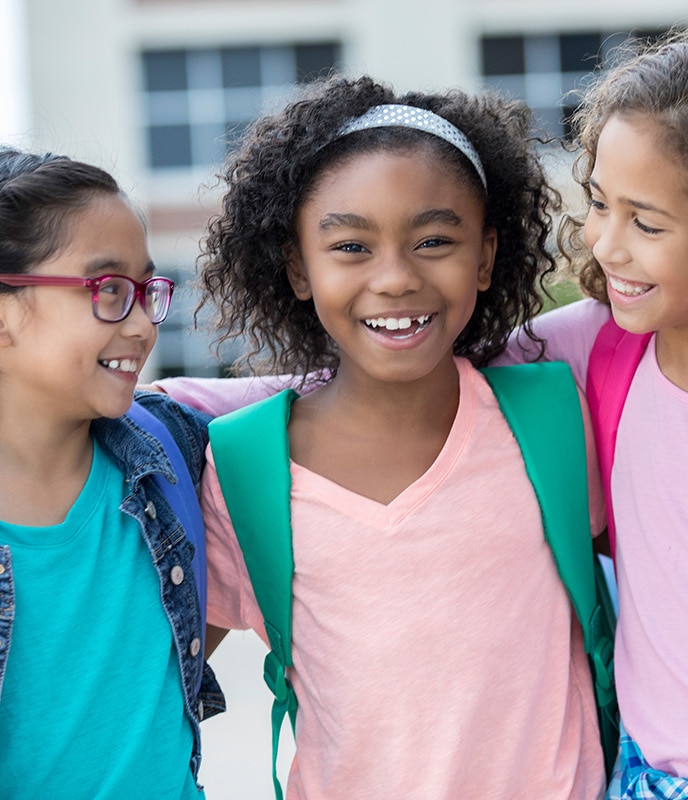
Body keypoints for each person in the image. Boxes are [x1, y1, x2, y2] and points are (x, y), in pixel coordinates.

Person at [160, 75, 607, 798]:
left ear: (488, 256)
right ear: (298, 270)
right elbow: (157, 693)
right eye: (350, 247)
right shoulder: (242, 468)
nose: (396, 278)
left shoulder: (554, 416)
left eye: (434, 239)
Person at [499, 39, 688, 798]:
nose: (605, 244)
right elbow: (412, 378)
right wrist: (184, 404)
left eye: (648, 224)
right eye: (600, 203)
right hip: (649, 777)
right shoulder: (595, 346)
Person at [0, 147, 224, 799]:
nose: (143, 324)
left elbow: (331, 389)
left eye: (146, 291)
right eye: (108, 291)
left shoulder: (171, 449)